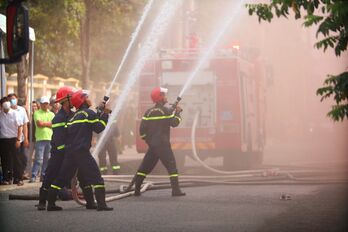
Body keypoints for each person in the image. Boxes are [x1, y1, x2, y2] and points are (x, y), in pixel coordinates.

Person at [46, 89, 113, 211]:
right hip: (82, 153)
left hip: (70, 153)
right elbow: (98, 128)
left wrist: (99, 112)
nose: (89, 98)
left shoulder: (74, 116)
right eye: (87, 96)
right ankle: (102, 205)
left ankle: (50, 204)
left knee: (61, 178)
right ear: (83, 100)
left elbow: (87, 124)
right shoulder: (88, 113)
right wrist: (106, 113)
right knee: (96, 178)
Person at [36, 87, 97, 210]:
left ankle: (90, 202)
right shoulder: (59, 118)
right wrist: (67, 151)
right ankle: (43, 202)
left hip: (72, 152)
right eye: (71, 97)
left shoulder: (74, 115)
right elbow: (58, 140)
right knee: (51, 175)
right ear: (65, 100)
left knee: (83, 175)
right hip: (59, 153)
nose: (74, 100)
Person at [132, 87, 185, 196]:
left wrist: (149, 141)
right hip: (163, 145)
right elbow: (174, 123)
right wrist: (178, 113)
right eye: (164, 95)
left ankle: (136, 190)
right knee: (172, 167)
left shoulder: (148, 112)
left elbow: (142, 130)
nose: (166, 97)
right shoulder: (166, 111)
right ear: (160, 98)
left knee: (145, 167)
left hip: (153, 146)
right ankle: (176, 190)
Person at [30, 96, 55, 183]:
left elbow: (53, 125)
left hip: (49, 138)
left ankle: (43, 176)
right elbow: (39, 124)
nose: (45, 105)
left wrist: (45, 123)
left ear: (48, 104)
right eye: (43, 104)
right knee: (39, 159)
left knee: (47, 159)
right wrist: (48, 123)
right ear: (40, 104)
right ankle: (33, 176)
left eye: (46, 104)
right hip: (40, 139)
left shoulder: (52, 114)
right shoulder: (37, 113)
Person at [0, 97, 23, 185]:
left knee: (17, 159)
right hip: (3, 140)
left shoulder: (14, 113)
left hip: (14, 139)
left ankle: (19, 178)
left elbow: (20, 126)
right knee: (5, 160)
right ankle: (6, 178)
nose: (5, 104)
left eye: (7, 102)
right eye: (3, 103)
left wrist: (18, 139)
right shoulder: (0, 114)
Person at [8, 93, 29, 185]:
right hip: (10, 138)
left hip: (21, 139)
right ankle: (15, 177)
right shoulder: (7, 111)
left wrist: (26, 138)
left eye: (14, 99)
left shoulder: (22, 110)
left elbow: (25, 125)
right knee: (12, 159)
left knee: (23, 158)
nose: (12, 101)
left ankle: (19, 175)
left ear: (16, 99)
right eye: (10, 99)